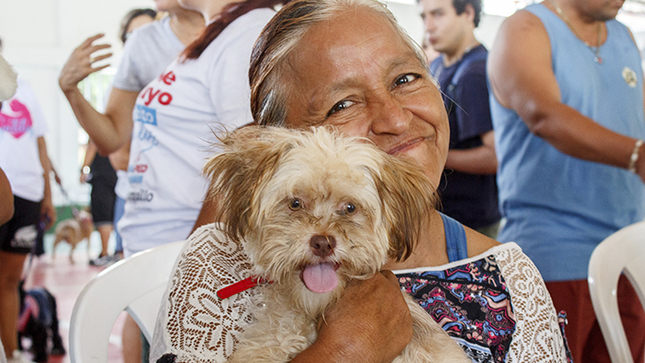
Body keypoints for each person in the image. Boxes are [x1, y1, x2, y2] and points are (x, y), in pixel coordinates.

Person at [150, 0, 570, 362]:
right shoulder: (218, 265)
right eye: (342, 104)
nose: (397, 120)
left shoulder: (508, 280)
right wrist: (342, 354)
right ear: (280, 142)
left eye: (405, 79)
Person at [487, 0, 645, 362]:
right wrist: (636, 155)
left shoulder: (621, 36)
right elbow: (544, 115)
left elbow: (637, 116)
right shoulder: (525, 29)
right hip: (556, 254)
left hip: (628, 247)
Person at [59, 3, 203, 361]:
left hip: (212, 220)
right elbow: (111, 138)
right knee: (146, 323)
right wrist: (71, 90)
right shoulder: (144, 43)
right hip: (151, 220)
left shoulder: (240, 34)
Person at [420, 0, 500, 238]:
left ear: (468, 12)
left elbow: (493, 156)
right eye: (424, 17)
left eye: (438, 14)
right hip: (442, 213)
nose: (429, 26)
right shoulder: (437, 66)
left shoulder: (473, 73)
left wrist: (433, 156)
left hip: (469, 222)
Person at [0, 64, 56, 363]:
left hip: (27, 192)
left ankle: (11, 353)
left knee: (10, 281)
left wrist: (47, 193)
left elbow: (40, 142)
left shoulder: (23, 88)